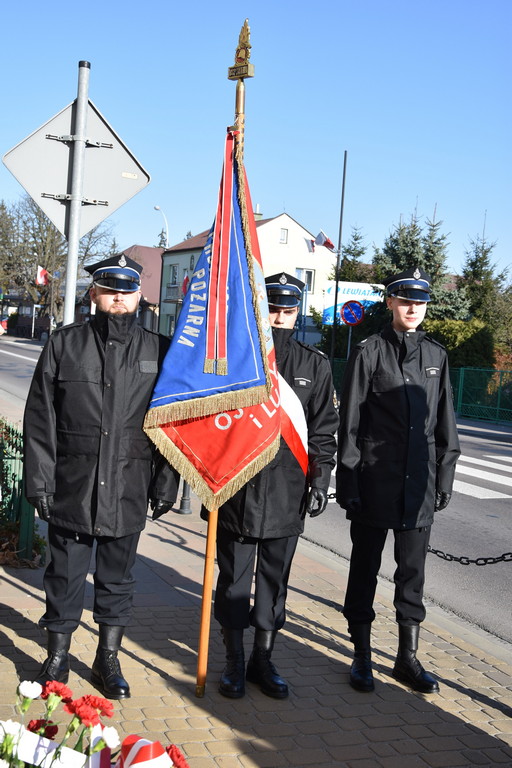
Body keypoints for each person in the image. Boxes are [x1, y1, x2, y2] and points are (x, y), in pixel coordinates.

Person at [23, 254, 179, 699]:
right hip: (73, 483)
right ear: (94, 293)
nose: (118, 298)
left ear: (139, 296)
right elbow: (41, 418)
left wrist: (166, 482)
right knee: (64, 575)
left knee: (118, 579)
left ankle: (107, 658)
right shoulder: (65, 344)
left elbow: (172, 423)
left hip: (129, 484)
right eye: (109, 290)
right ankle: (56, 657)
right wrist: (40, 481)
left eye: (126, 291)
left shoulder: (160, 349)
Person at [211, 272, 339, 699]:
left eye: (288, 310)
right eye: (273, 309)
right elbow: (211, 422)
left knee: (273, 582)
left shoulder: (314, 364)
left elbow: (323, 430)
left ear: (297, 312)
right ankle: (233, 660)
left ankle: (262, 660)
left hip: (287, 491)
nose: (280, 317)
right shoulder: (234, 359)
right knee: (233, 582)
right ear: (259, 309)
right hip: (237, 490)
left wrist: (320, 478)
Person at [336, 266, 460, 694]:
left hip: (418, 484)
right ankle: (361, 655)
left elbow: (445, 423)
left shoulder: (436, 356)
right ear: (390, 302)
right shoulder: (369, 352)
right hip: (374, 480)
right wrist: (348, 482)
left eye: (419, 302)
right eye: (405, 300)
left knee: (412, 576)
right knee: (364, 571)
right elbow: (350, 423)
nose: (412, 308)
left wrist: (444, 476)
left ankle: (407, 658)